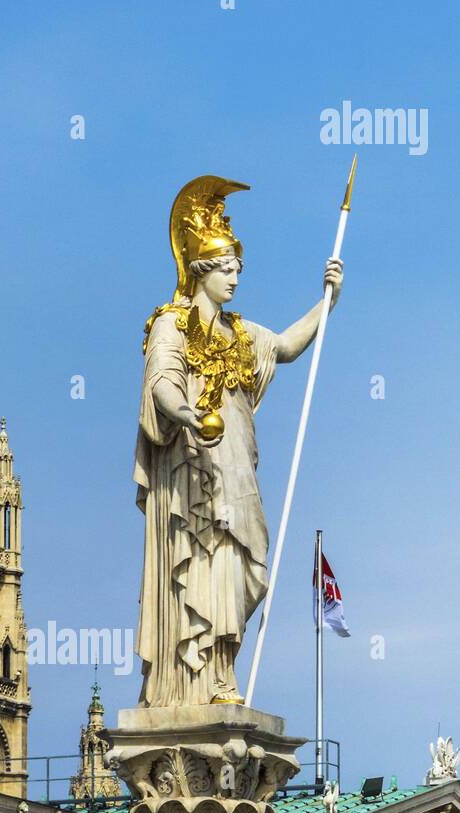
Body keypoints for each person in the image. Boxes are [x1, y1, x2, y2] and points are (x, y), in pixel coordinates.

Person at [135, 176, 343, 706]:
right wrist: (189, 417)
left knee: (242, 564)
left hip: (236, 465)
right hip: (193, 466)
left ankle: (223, 664)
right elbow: (161, 384)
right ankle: (199, 678)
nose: (235, 279)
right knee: (202, 560)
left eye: (238, 270)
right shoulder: (171, 326)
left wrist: (328, 300)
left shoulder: (241, 332)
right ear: (201, 270)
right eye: (227, 269)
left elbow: (290, 346)